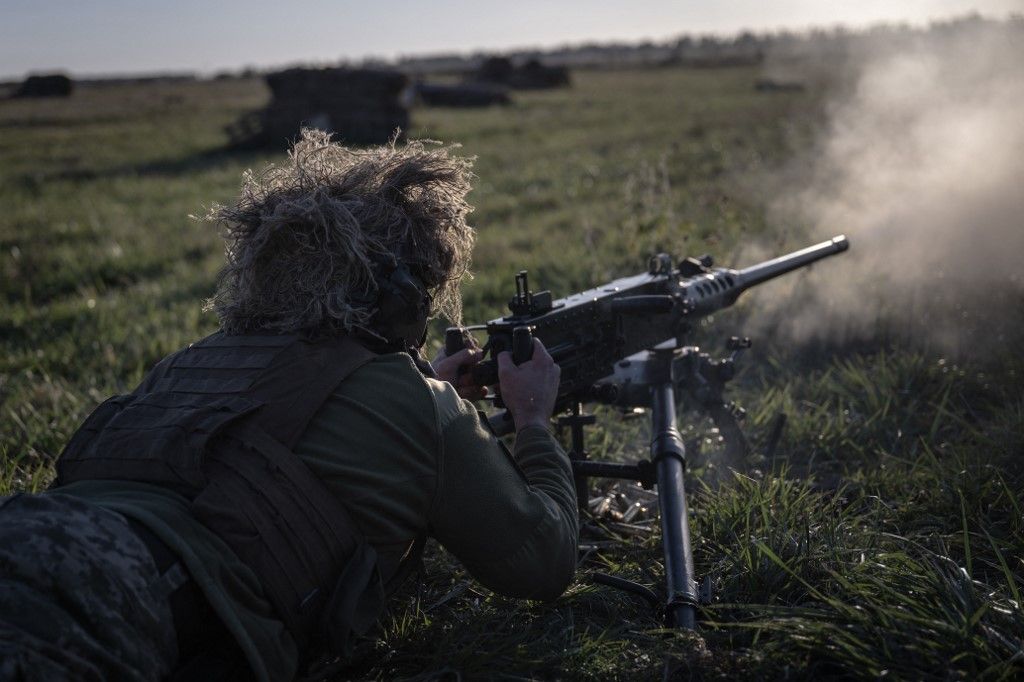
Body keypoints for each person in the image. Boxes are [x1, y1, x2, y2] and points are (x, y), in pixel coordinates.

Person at [0, 130, 578, 682]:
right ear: (400, 294)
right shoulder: (414, 403)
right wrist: (531, 421)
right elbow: (543, 563)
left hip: (28, 527)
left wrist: (423, 386)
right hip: (119, 596)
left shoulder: (188, 363)